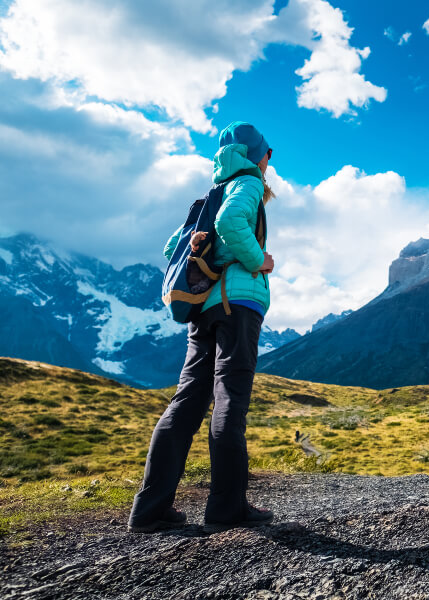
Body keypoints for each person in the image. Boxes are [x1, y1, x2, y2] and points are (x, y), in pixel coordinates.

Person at [128, 121, 275, 534]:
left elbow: (171, 246)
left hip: (203, 309)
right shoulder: (246, 184)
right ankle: (227, 507)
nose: (269, 161)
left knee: (187, 401)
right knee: (230, 398)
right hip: (236, 305)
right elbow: (231, 223)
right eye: (268, 153)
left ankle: (150, 509)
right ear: (256, 156)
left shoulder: (209, 195)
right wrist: (258, 259)